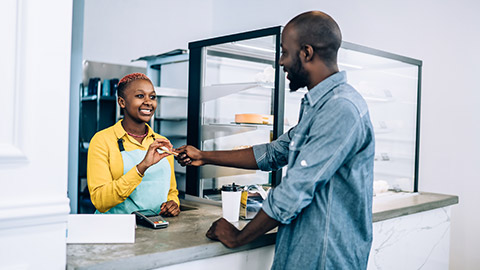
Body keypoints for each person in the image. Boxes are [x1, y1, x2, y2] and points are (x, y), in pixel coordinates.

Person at [175, 11, 375, 269]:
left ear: (306, 53)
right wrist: (203, 156)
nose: (281, 62)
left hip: (326, 258)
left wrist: (238, 237)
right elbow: (273, 153)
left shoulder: (340, 108)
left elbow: (295, 189)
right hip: (304, 252)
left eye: (284, 52)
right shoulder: (318, 106)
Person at [87, 73, 180, 216]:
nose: (149, 102)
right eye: (140, 96)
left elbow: (171, 191)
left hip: (156, 227)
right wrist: (141, 167)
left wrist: (173, 203)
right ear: (122, 102)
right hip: (116, 229)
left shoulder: (161, 142)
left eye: (152, 97)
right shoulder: (102, 141)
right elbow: (100, 201)